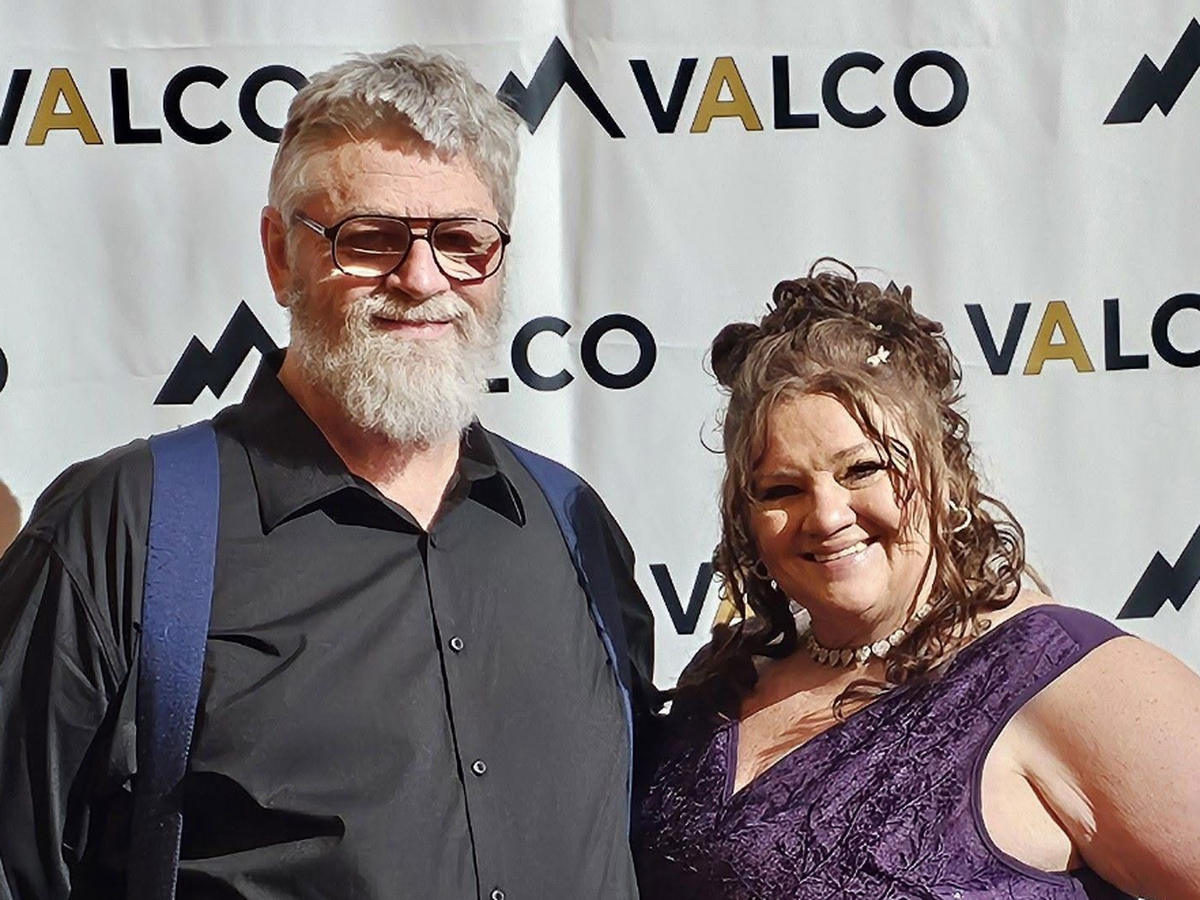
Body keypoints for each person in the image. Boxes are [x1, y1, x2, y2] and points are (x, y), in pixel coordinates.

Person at [0, 46, 654, 900]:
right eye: (370, 239)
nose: (421, 279)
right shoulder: (125, 530)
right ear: (281, 255)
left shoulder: (572, 526)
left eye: (463, 241)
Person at [632, 261, 1200, 899]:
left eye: (862, 469)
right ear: (746, 519)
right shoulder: (719, 687)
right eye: (782, 489)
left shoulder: (1058, 677)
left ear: (944, 473)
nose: (826, 516)